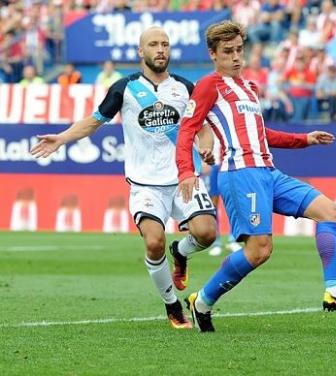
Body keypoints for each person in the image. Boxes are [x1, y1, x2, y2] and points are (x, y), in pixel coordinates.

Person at [176, 21, 336, 332]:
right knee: (260, 249)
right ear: (213, 54)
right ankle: (202, 302)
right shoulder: (209, 85)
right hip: (240, 173)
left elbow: (261, 133)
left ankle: (334, 291)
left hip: (268, 172)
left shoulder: (249, 87)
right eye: (227, 52)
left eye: (239, 50)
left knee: (330, 212)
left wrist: (303, 140)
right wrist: (186, 171)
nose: (236, 57)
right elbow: (187, 130)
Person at [30, 26, 219, 330]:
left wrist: (206, 147)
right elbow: (94, 122)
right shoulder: (124, 88)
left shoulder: (186, 87)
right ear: (140, 52)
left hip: (184, 178)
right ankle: (172, 305)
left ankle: (180, 252)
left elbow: (203, 127)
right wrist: (62, 138)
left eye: (165, 44)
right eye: (154, 45)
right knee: (154, 242)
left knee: (207, 233)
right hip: (145, 184)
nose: (161, 50)